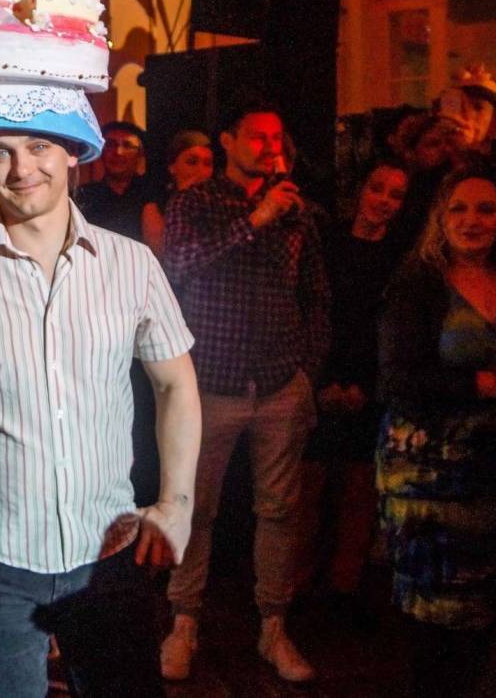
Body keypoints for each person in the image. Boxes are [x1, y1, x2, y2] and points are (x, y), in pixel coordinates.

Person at [0, 83, 201, 697]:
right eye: (1, 151)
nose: (21, 168)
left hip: (109, 554)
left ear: (73, 153)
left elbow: (175, 384)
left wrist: (177, 505)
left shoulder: (131, 264)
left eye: (39, 146)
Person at [376, 168, 496, 697]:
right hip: (430, 475)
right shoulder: (417, 282)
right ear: (440, 218)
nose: (472, 220)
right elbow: (399, 380)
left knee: (491, 608)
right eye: (458, 209)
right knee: (436, 613)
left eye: (486, 209)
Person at [160, 98, 329, 684]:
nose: (270, 147)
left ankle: (273, 627)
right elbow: (179, 264)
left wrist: (308, 369)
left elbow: (315, 293)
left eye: (277, 138)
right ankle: (183, 621)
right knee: (197, 508)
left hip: (280, 385)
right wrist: (254, 220)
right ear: (228, 142)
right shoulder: (196, 202)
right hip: (213, 382)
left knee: (279, 512)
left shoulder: (296, 208)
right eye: (257, 136)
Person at [298, 159, 409, 612]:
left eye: (395, 195)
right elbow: (310, 311)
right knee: (308, 487)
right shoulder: (328, 243)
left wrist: (368, 385)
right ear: (361, 189)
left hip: (372, 382)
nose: (383, 201)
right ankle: (298, 586)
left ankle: (345, 586)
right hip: (321, 374)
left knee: (360, 491)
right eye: (378, 188)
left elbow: (394, 329)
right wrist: (320, 380)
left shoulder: (401, 258)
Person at [75, 119, 152, 240]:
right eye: (111, 145)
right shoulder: (83, 196)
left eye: (127, 145)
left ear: (140, 154)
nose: (118, 152)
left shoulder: (152, 195)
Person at [142, 129, 214, 256]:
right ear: (172, 167)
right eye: (192, 162)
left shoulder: (219, 201)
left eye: (207, 164)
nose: (201, 170)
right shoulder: (157, 205)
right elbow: (162, 255)